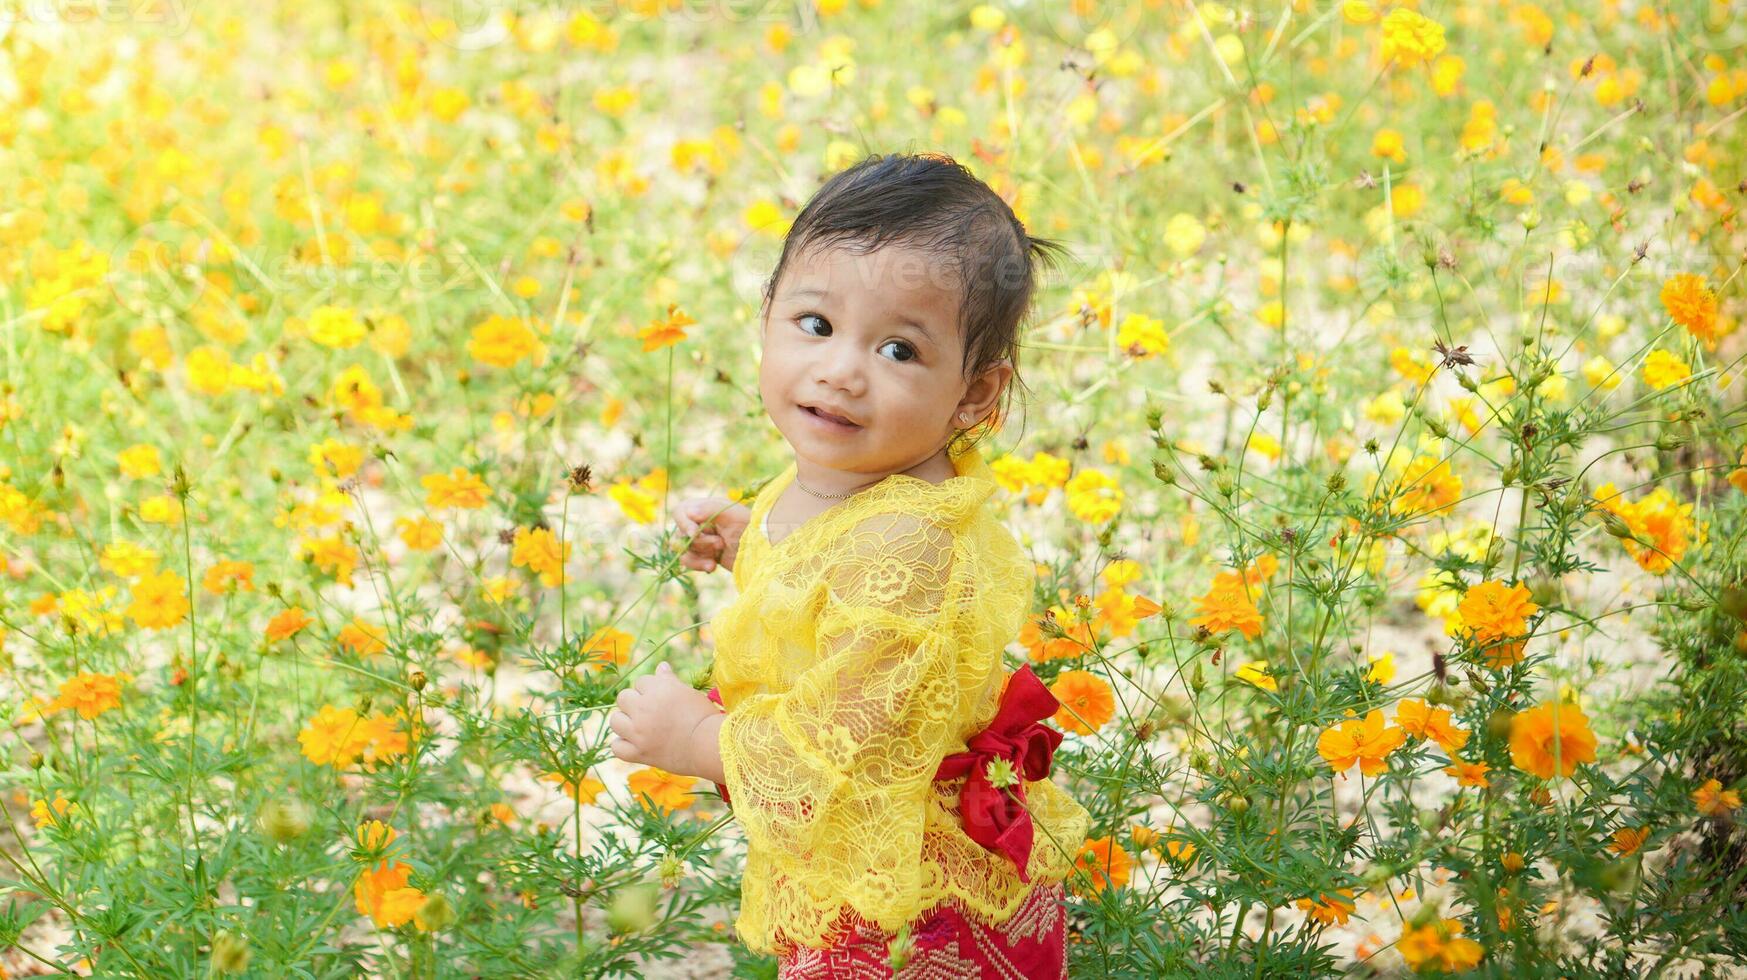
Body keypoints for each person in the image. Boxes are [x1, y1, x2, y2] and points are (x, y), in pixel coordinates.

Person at [607, 152, 1092, 978]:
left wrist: (696, 737)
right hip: (876, 869)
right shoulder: (857, 481)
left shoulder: (909, 540)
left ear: (975, 394)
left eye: (898, 351)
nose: (841, 371)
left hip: (914, 904)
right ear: (766, 313)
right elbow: (837, 582)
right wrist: (744, 539)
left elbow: (843, 747)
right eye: (815, 325)